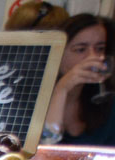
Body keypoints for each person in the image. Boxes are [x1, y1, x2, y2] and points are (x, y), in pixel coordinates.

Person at [40, 15, 115, 145]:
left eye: (100, 49)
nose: (93, 57)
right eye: (80, 49)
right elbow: (46, 146)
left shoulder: (106, 101)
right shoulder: (32, 98)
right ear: (58, 54)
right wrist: (61, 89)